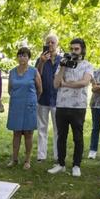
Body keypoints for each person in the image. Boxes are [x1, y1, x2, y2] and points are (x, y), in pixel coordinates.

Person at [50, 38, 93, 176]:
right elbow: (56, 84)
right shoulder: (62, 64)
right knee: (61, 136)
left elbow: (84, 82)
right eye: (72, 49)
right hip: (62, 105)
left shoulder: (87, 65)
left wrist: (67, 84)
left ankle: (76, 165)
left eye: (76, 49)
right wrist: (62, 67)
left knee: (77, 137)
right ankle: (61, 164)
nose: (73, 52)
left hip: (78, 106)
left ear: (82, 50)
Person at [6, 46, 42, 169]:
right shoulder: (12, 72)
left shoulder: (34, 71)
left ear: (28, 57)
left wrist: (31, 99)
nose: (22, 57)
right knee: (16, 133)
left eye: (25, 55)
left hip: (29, 105)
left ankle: (27, 160)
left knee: (28, 133)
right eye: (20, 55)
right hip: (16, 105)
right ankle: (14, 159)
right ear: (17, 57)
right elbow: (10, 89)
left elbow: (40, 89)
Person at [36, 33, 61, 162]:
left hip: (58, 99)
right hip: (43, 98)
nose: (50, 45)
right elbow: (36, 76)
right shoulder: (40, 59)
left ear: (57, 44)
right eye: (48, 42)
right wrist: (42, 62)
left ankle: (58, 156)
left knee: (58, 129)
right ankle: (41, 155)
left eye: (52, 42)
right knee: (42, 127)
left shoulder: (62, 60)